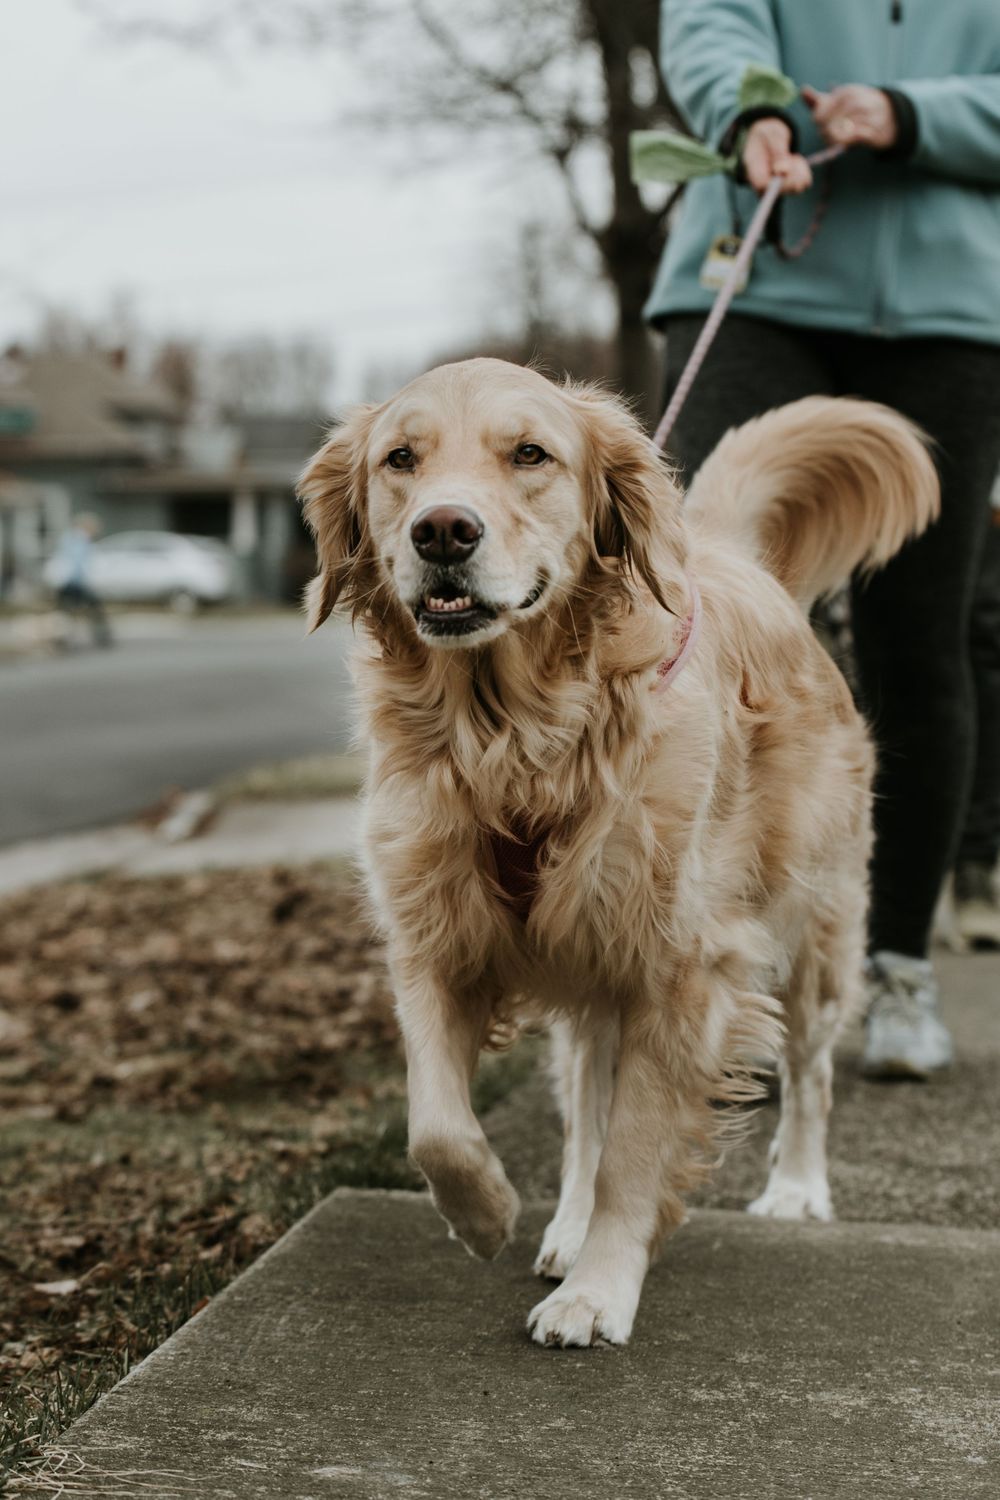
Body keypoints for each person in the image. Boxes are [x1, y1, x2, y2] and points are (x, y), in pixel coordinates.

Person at [647, 0, 1000, 1078]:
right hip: (759, 283)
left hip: (951, 318)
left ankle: (893, 965)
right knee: (697, 615)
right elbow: (709, 25)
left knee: (918, 645)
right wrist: (748, 109)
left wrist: (912, 113)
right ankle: (699, 954)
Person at [51, 513, 112, 647]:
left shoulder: (69, 539)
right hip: (75, 583)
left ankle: (61, 639)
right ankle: (102, 637)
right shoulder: (79, 540)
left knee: (66, 612)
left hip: (67, 583)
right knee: (94, 610)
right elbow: (79, 565)